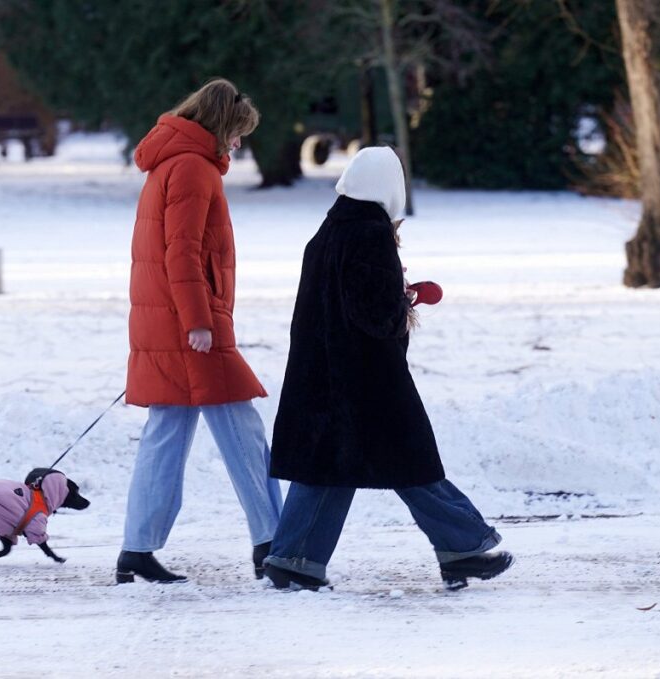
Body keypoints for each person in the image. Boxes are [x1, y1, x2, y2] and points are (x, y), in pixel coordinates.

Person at [264, 147, 514, 591]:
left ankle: (293, 559)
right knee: (411, 464)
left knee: (328, 469)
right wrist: (404, 300)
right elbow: (375, 315)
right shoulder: (369, 234)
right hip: (367, 381)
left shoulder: (329, 230)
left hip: (323, 376)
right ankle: (464, 548)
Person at [117, 79, 281, 584]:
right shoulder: (191, 167)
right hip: (190, 325)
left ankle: (137, 551)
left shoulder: (173, 160)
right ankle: (274, 542)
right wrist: (198, 323)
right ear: (220, 126)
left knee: (168, 432)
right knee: (242, 431)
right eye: (237, 134)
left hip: (169, 320)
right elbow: (181, 251)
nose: (238, 145)